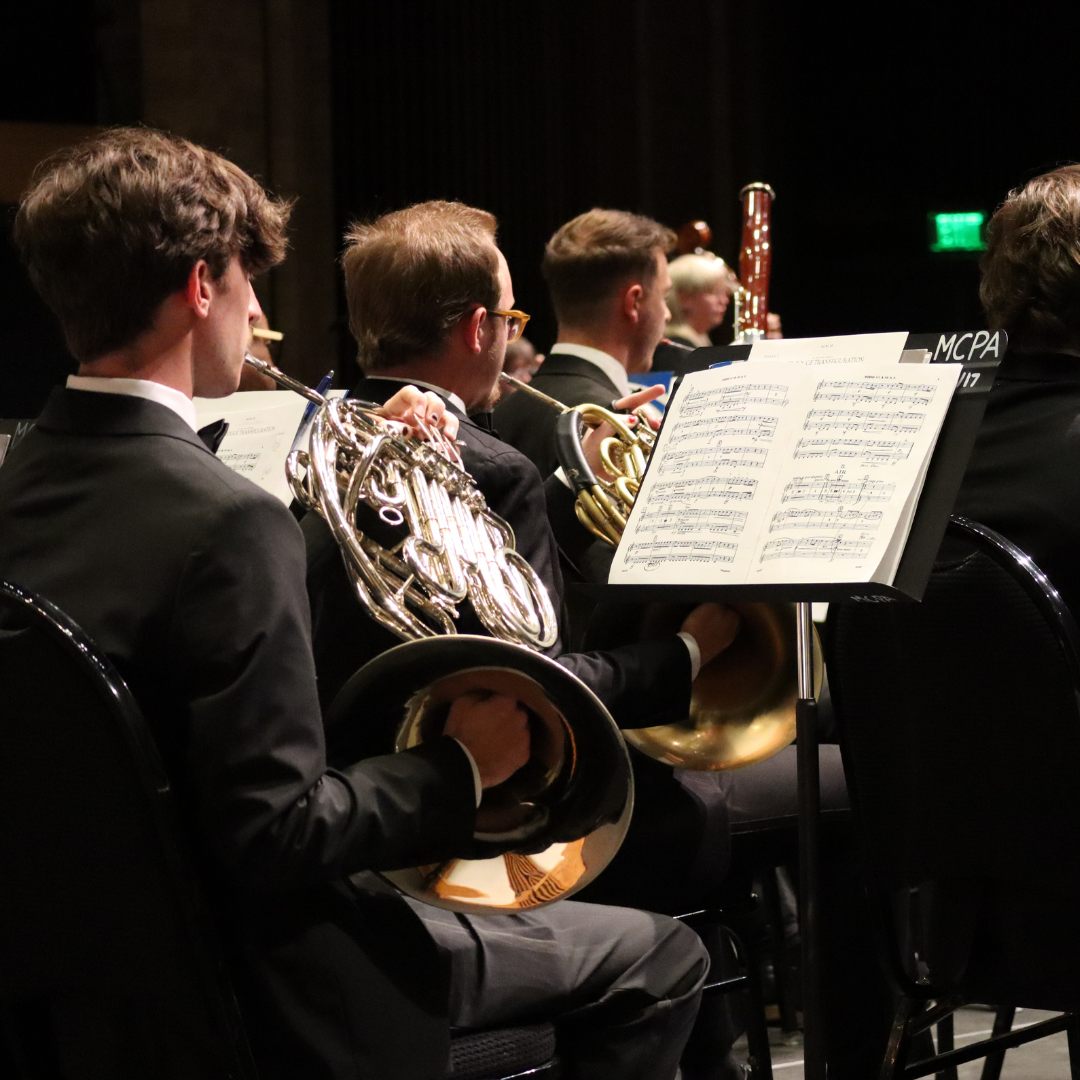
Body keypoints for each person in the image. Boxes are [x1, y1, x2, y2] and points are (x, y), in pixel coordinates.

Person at [0, 130, 707, 1080]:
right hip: (267, 996)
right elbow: (279, 833)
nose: (257, 309)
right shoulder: (227, 522)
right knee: (659, 956)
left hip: (76, 997)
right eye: (248, 280)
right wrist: (461, 764)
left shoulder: (18, 488)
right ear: (201, 287)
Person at [493, 209, 673, 479]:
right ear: (633, 303)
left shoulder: (500, 415)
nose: (667, 314)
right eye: (664, 296)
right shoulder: (619, 430)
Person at [664, 252, 738, 349]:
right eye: (715, 292)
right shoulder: (675, 349)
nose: (724, 300)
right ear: (684, 297)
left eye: (724, 293)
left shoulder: (698, 342)